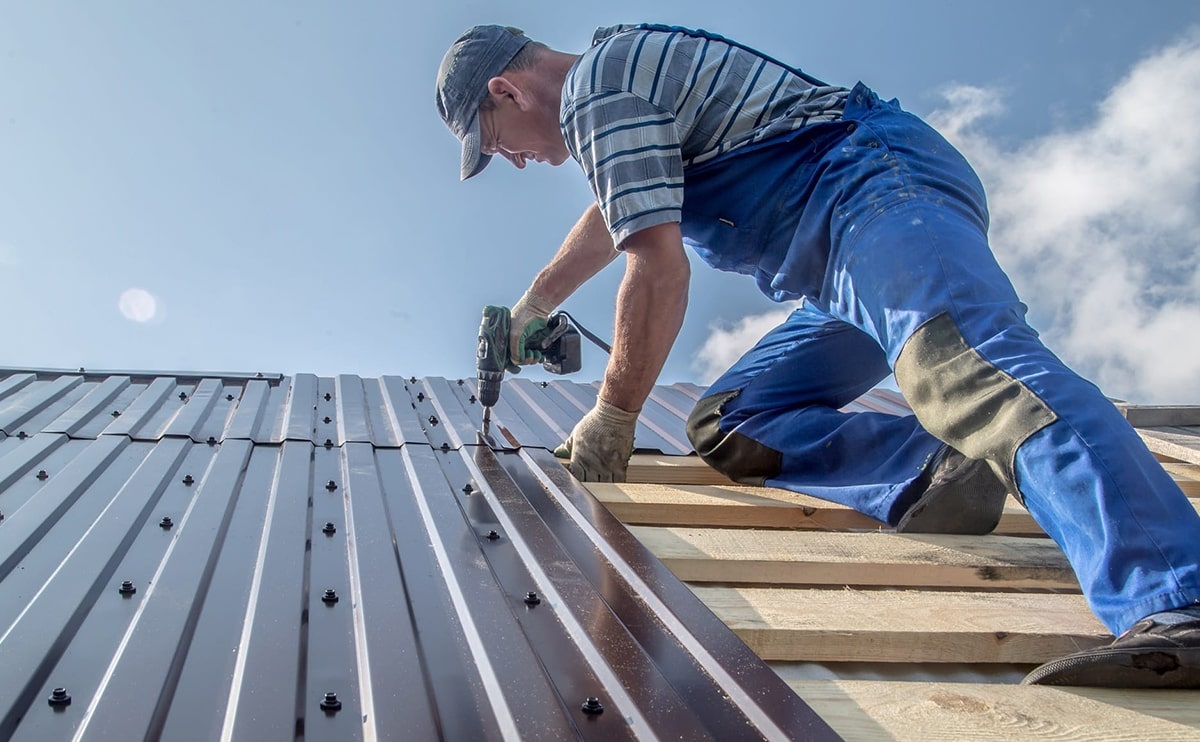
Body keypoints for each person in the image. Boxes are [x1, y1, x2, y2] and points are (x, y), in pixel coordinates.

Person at [435, 23, 1200, 688]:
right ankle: (934, 470)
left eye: (496, 142)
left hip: (874, 193)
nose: (513, 160)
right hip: (837, 267)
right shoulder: (615, 96)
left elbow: (656, 263)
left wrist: (615, 413)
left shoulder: (596, 91)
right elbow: (615, 210)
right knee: (733, 419)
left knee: (966, 368)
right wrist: (535, 303)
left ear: (506, 89)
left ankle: (1174, 596)